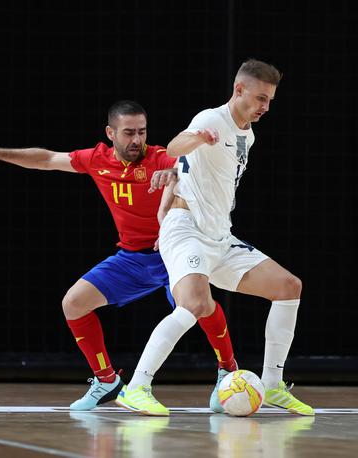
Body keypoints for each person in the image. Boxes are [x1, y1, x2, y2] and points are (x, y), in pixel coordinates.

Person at [0, 100, 238, 412]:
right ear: (111, 133)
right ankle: (106, 380)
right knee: (74, 303)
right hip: (132, 258)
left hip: (174, 251)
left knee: (200, 305)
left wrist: (177, 175)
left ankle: (227, 369)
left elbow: (188, 168)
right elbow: (48, 159)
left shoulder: (161, 157)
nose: (137, 140)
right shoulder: (96, 160)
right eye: (129, 133)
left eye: (142, 132)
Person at [116, 61, 314, 416]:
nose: (265, 107)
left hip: (219, 237)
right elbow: (176, 147)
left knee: (288, 286)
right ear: (239, 90)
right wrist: (196, 140)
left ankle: (272, 385)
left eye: (269, 100)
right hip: (187, 230)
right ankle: (136, 387)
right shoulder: (211, 119)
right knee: (192, 304)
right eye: (260, 98)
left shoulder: (248, 135)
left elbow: (182, 169)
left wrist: (165, 194)